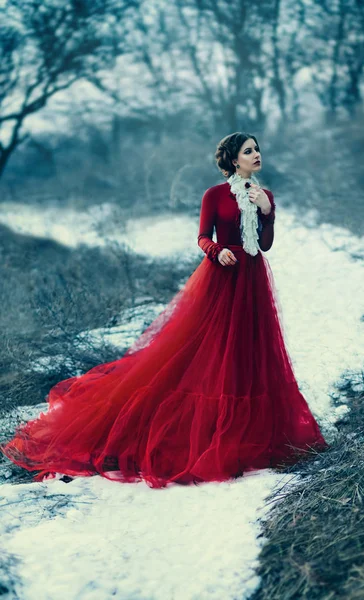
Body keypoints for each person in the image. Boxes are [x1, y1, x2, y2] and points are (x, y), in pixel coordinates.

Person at [0, 132, 328, 488]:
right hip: (221, 278)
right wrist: (217, 251)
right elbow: (203, 236)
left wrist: (267, 210)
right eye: (249, 151)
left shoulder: (265, 195)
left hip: (252, 280)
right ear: (234, 160)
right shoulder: (214, 195)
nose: (257, 154)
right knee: (206, 352)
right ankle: (205, 431)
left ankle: (247, 434)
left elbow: (264, 244)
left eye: (258, 149)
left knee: (250, 353)